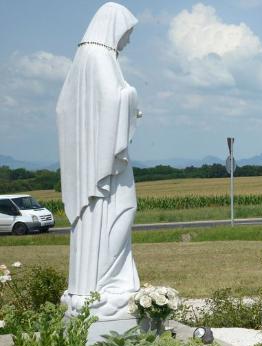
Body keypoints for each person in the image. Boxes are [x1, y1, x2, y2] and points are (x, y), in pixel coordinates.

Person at [57, 3, 141, 320]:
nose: (128, 41)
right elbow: (112, 99)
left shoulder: (86, 58)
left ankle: (105, 282)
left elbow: (64, 109)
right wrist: (132, 97)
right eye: (127, 33)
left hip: (97, 161)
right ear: (114, 28)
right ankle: (107, 284)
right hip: (104, 167)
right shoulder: (98, 56)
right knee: (125, 208)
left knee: (119, 214)